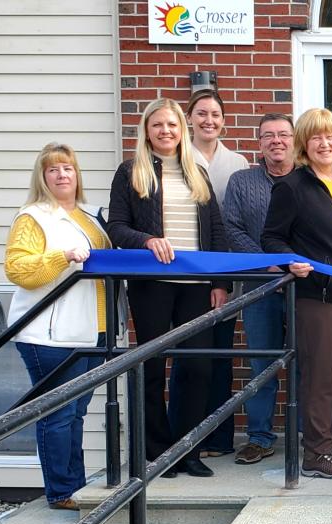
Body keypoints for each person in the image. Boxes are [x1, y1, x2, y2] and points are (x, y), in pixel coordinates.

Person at [107, 98, 228, 478]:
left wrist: (219, 282)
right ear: (147, 130)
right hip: (152, 286)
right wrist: (146, 240)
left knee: (198, 368)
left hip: (195, 285)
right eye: (158, 125)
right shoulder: (131, 172)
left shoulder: (198, 173)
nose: (166, 132)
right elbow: (116, 227)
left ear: (183, 130)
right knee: (152, 368)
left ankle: (188, 450)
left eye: (172, 126)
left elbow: (217, 232)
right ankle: (156, 453)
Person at [261, 108, 332, 479]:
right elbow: (271, 238)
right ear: (304, 145)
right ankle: (316, 452)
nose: (324, 143)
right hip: (318, 299)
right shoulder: (293, 187)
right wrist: (289, 263)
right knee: (320, 377)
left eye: (331, 137)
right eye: (316, 137)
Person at [5, 143, 111, 509]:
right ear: (42, 177)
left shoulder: (90, 216)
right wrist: (61, 256)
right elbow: (18, 269)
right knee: (58, 413)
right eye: (53, 170)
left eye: (68, 168)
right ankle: (62, 491)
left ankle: (75, 488)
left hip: (93, 331)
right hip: (50, 335)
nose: (62, 175)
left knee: (76, 413)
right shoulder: (34, 217)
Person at [174, 89, 249, 460]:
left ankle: (219, 438)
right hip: (185, 275)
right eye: (201, 113)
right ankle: (186, 438)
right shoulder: (174, 158)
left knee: (220, 356)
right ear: (190, 118)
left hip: (224, 272)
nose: (208, 120)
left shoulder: (237, 163)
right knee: (187, 358)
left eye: (215, 114)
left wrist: (224, 279)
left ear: (223, 120)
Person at [222, 113, 295, 465]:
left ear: (295, 140)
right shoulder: (241, 181)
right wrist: (269, 264)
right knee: (261, 364)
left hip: (303, 288)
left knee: (307, 364)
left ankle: (310, 435)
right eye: (269, 135)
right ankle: (260, 436)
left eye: (283, 134)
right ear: (259, 142)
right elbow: (232, 230)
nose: (276, 141)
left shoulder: (310, 180)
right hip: (259, 288)